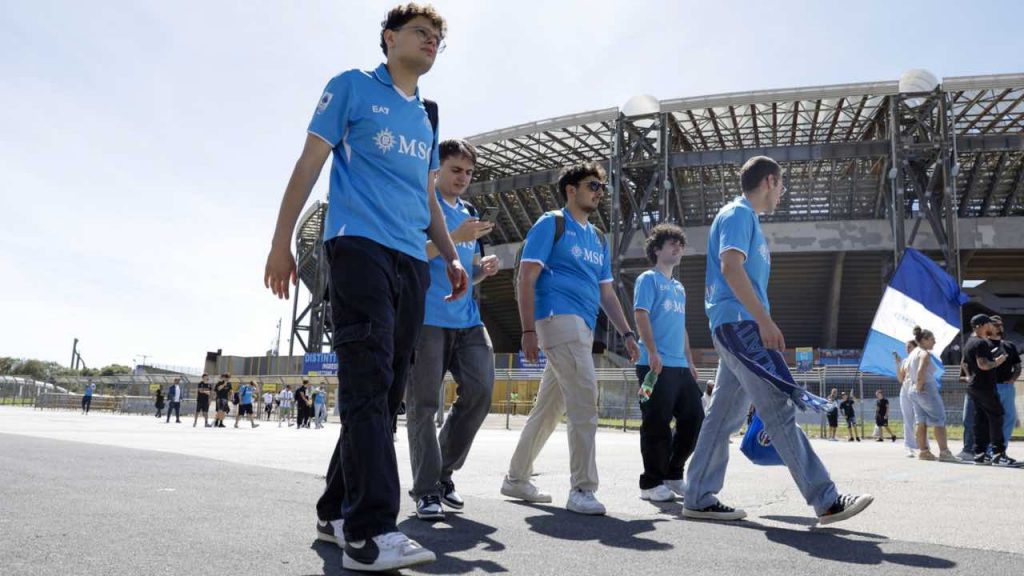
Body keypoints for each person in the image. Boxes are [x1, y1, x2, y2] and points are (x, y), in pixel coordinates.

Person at [263, 3, 459, 569]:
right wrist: (280, 243)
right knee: (368, 384)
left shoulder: (426, 115)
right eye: (421, 32)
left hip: (411, 260)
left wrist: (450, 255)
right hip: (358, 248)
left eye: (438, 38)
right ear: (389, 38)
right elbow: (308, 164)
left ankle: (334, 512)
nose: (431, 42)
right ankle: (369, 533)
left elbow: (427, 197)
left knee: (386, 393)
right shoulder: (351, 86)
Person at [683, 155, 872, 525]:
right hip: (740, 325)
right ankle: (827, 500)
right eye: (782, 185)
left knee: (723, 415)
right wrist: (763, 320)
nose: (782, 193)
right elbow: (731, 268)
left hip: (733, 325)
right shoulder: (738, 214)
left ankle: (698, 495)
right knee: (778, 408)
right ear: (769, 181)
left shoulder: (746, 218)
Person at [501, 161, 640, 516]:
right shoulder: (552, 223)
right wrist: (527, 330)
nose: (599, 192)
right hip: (557, 318)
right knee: (584, 400)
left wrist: (627, 333)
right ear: (571, 190)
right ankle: (582, 488)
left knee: (549, 409)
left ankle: (516, 477)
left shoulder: (598, 238)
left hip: (583, 326)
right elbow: (526, 277)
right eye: (593, 185)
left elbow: (607, 293)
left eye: (602, 187)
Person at [406, 138, 499, 521]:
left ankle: (442, 472)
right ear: (437, 169)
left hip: (468, 321)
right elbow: (411, 251)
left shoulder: (470, 212)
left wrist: (482, 271)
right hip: (428, 319)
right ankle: (427, 489)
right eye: (455, 170)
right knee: (424, 406)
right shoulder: (422, 204)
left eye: (469, 172)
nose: (463, 178)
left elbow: (466, 274)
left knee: (481, 392)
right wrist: (454, 238)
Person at [632, 223, 703, 502]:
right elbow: (641, 314)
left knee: (695, 418)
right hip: (655, 363)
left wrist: (689, 360)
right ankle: (651, 482)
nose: (678, 248)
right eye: (672, 244)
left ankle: (673, 473)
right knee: (657, 423)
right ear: (657, 249)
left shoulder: (679, 288)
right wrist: (652, 351)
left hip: (679, 366)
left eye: (680, 245)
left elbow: (681, 326)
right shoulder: (648, 279)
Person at [963, 315, 1016, 466]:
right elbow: (983, 364)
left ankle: (980, 454)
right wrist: (997, 362)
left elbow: (966, 364)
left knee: (981, 419)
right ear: (980, 326)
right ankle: (999, 454)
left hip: (975, 386)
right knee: (996, 417)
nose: (992, 327)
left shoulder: (970, 341)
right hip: (985, 386)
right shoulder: (981, 343)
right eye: (989, 324)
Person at [906, 326, 955, 461]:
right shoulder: (924, 353)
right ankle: (944, 452)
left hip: (913, 388)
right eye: (932, 339)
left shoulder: (912, 353)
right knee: (939, 420)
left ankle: (924, 452)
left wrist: (916, 386)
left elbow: (906, 370)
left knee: (920, 421)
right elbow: (921, 369)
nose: (934, 342)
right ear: (924, 340)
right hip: (925, 389)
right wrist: (920, 384)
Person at [990, 316, 1021, 446]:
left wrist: (1013, 379)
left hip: (1007, 387)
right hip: (990, 387)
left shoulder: (1010, 346)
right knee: (991, 418)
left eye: (1001, 325)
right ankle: (987, 448)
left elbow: (1017, 366)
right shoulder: (983, 345)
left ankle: (1001, 447)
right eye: (996, 325)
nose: (999, 327)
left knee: (1010, 417)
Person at [896, 341, 919, 457]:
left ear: (916, 347)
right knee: (907, 420)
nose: (907, 349)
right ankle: (909, 446)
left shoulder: (920, 359)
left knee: (920, 419)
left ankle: (923, 446)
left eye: (909, 347)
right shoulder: (904, 361)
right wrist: (897, 364)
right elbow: (900, 379)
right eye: (906, 347)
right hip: (905, 391)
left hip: (918, 391)